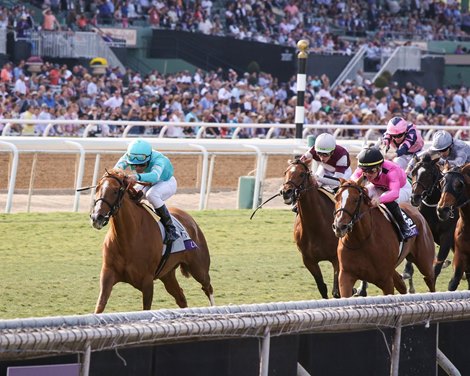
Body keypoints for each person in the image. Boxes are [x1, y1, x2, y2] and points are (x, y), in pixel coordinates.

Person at [114, 139, 179, 243]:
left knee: (151, 195)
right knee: (131, 195)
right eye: (134, 165)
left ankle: (171, 229)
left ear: (148, 159)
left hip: (166, 182)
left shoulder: (158, 159)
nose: (137, 167)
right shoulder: (130, 154)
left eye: (141, 165)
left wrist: (136, 176)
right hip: (147, 182)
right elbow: (116, 170)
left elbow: (154, 176)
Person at [352, 147, 416, 241]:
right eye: (364, 170)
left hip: (402, 188)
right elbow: (351, 181)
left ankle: (405, 228)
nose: (368, 174)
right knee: (362, 193)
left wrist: (379, 200)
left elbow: (394, 193)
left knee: (386, 199)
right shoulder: (365, 168)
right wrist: (359, 179)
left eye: (371, 171)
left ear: (379, 167)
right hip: (379, 186)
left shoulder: (391, 171)